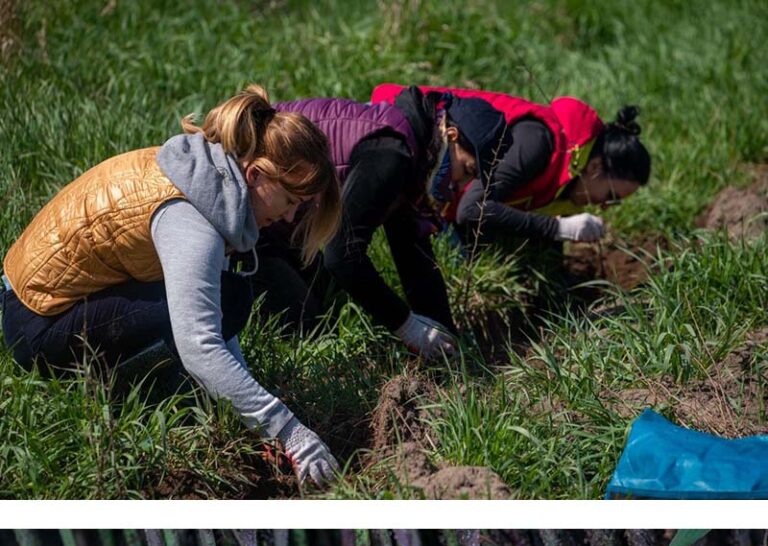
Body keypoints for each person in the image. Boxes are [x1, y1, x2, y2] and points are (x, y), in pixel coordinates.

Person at [1, 85, 343, 487]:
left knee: (226, 297)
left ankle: (189, 390)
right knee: (224, 305)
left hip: (28, 295)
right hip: (36, 326)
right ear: (255, 175)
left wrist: (252, 407)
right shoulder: (191, 221)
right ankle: (137, 395)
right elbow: (201, 343)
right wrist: (289, 432)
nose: (288, 216)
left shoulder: (200, 172)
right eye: (288, 201)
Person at [252, 87, 510, 359]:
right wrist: (407, 327)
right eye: (467, 170)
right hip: (248, 224)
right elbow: (342, 255)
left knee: (331, 302)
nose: (461, 186)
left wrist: (446, 338)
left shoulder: (413, 154)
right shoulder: (391, 152)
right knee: (307, 326)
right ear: (452, 137)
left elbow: (414, 259)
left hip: (282, 229)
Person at [371, 84, 651, 250]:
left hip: (428, 192)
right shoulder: (539, 143)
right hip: (389, 139)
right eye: (611, 196)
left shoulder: (566, 179)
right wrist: (558, 229)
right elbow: (473, 209)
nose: (604, 207)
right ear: (595, 167)